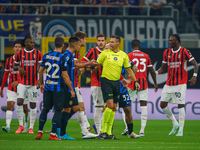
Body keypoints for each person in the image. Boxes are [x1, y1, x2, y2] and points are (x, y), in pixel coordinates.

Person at [97, 35, 140, 139]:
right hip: (107, 81)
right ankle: (104, 131)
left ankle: (129, 132)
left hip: (119, 85)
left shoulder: (123, 55)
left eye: (112, 42)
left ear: (117, 43)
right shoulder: (105, 54)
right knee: (109, 106)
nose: (109, 45)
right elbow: (96, 64)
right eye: (109, 43)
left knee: (122, 109)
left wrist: (132, 80)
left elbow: (132, 68)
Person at [156, 34, 199, 136]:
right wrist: (156, 73)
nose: (170, 42)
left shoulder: (184, 51)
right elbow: (163, 68)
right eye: (169, 40)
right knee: (162, 104)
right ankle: (175, 124)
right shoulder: (166, 52)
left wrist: (194, 76)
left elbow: (195, 64)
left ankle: (181, 130)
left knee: (180, 105)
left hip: (180, 83)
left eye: (172, 40)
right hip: (169, 83)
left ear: (177, 41)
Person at [59, 36, 98, 140]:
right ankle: (60, 130)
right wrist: (71, 88)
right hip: (68, 86)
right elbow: (64, 74)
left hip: (71, 86)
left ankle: (61, 129)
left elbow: (75, 66)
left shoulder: (70, 55)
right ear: (75, 45)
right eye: (80, 45)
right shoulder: (67, 55)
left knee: (75, 108)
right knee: (69, 108)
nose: (80, 47)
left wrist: (88, 64)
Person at [35, 37, 73, 140]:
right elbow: (65, 76)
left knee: (45, 109)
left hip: (47, 87)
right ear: (62, 45)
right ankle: (53, 135)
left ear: (54, 44)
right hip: (58, 88)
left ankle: (39, 132)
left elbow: (40, 70)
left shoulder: (46, 55)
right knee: (58, 110)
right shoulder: (62, 57)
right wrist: (71, 89)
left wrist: (41, 83)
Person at [122, 39, 158, 136]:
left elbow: (125, 69)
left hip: (131, 83)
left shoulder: (128, 56)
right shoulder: (146, 56)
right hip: (143, 84)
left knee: (126, 106)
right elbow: (151, 70)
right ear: (140, 46)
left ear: (131, 46)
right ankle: (142, 131)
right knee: (143, 107)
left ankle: (127, 128)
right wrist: (155, 82)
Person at [14, 36, 43, 134]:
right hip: (22, 83)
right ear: (26, 43)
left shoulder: (38, 53)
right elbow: (14, 66)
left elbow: (41, 68)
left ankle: (31, 127)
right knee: (19, 101)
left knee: (33, 104)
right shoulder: (20, 54)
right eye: (31, 42)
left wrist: (40, 80)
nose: (33, 44)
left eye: (33, 42)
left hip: (33, 83)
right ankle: (21, 126)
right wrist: (19, 68)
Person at [80, 33, 107, 135]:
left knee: (110, 106)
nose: (100, 42)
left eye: (102, 40)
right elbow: (82, 63)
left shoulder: (108, 52)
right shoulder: (92, 51)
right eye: (99, 40)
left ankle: (100, 128)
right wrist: (90, 66)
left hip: (107, 84)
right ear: (96, 41)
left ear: (105, 41)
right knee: (99, 107)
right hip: (96, 83)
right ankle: (100, 132)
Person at [0, 42, 29, 133]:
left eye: (19, 47)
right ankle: (8, 126)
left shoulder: (25, 60)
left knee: (24, 108)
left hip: (23, 86)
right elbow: (6, 75)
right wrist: (1, 88)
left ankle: (26, 125)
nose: (17, 48)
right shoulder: (8, 60)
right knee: (10, 106)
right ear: (13, 48)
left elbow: (28, 74)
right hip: (11, 87)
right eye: (16, 47)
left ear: (22, 49)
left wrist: (19, 82)